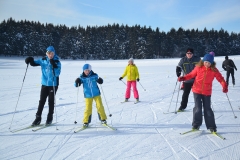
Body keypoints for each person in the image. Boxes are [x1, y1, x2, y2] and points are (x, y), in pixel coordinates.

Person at [178, 54, 228, 133]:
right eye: (205, 62)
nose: (207, 64)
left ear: (211, 63)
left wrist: (224, 86)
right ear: (203, 61)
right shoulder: (198, 67)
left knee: (207, 109)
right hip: (196, 90)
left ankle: (212, 127)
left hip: (207, 92)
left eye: (209, 63)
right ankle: (196, 125)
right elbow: (191, 75)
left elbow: (220, 78)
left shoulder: (214, 70)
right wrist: (184, 78)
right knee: (197, 108)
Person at [25, 46, 61, 126]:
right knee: (41, 101)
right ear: (47, 53)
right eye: (49, 53)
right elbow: (34, 63)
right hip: (44, 84)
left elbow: (57, 74)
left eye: (52, 53)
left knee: (51, 101)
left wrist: (54, 65)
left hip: (53, 85)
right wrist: (30, 60)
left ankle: (49, 117)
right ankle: (38, 118)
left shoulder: (57, 62)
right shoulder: (43, 60)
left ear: (54, 53)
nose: (50, 55)